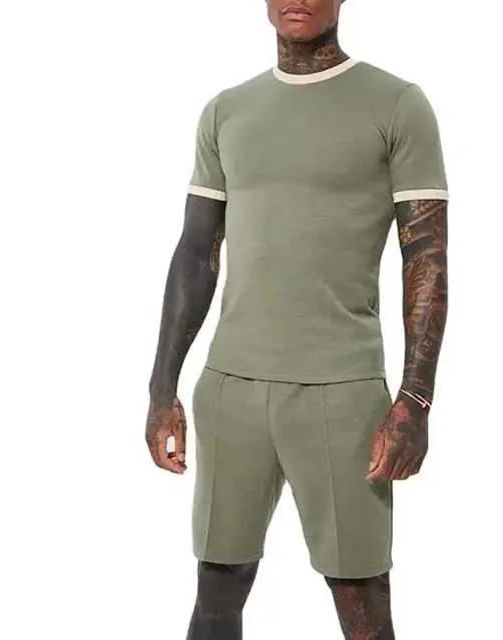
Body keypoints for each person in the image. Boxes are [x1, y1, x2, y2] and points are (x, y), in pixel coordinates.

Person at [146, 0, 449, 637]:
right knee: (217, 592)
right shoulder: (226, 111)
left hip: (343, 394)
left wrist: (415, 400)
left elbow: (425, 257)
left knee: (362, 600)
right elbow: (196, 253)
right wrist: (160, 388)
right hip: (231, 388)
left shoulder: (397, 105)